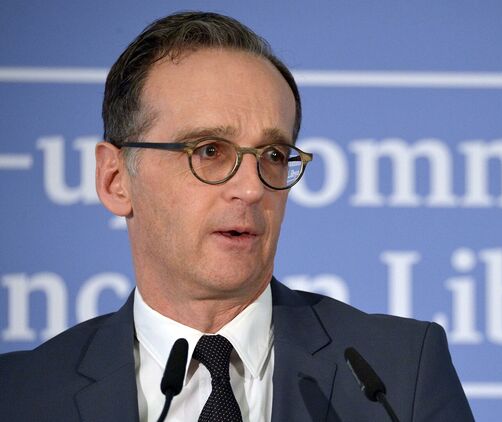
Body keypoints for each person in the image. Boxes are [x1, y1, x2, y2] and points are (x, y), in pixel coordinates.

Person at [0, 11, 474, 421]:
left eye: (273, 154)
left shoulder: (396, 375)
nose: (251, 188)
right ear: (115, 180)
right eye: (209, 151)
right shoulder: (22, 394)